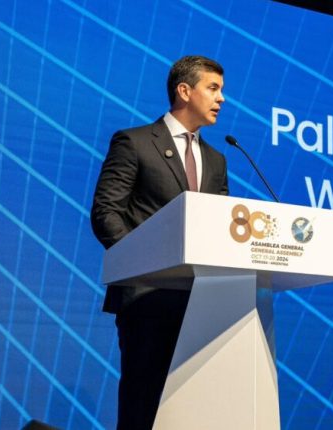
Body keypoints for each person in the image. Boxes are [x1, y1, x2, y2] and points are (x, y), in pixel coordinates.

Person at [90, 55, 229, 429]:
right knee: (144, 406)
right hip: (147, 298)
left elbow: (220, 227)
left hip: (203, 303)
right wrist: (142, 263)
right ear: (184, 91)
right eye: (213, 88)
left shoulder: (217, 160)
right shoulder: (134, 142)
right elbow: (106, 212)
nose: (221, 98)